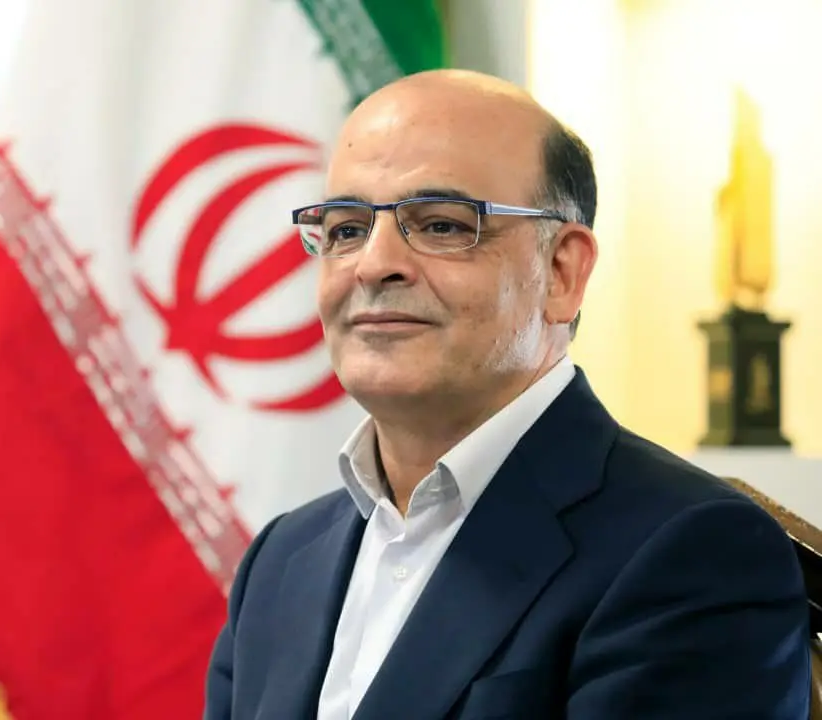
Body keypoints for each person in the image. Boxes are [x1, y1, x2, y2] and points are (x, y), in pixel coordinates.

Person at [202, 69, 811, 720]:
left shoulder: (694, 553)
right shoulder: (282, 559)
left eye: (441, 225)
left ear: (562, 272)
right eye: (346, 229)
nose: (373, 265)